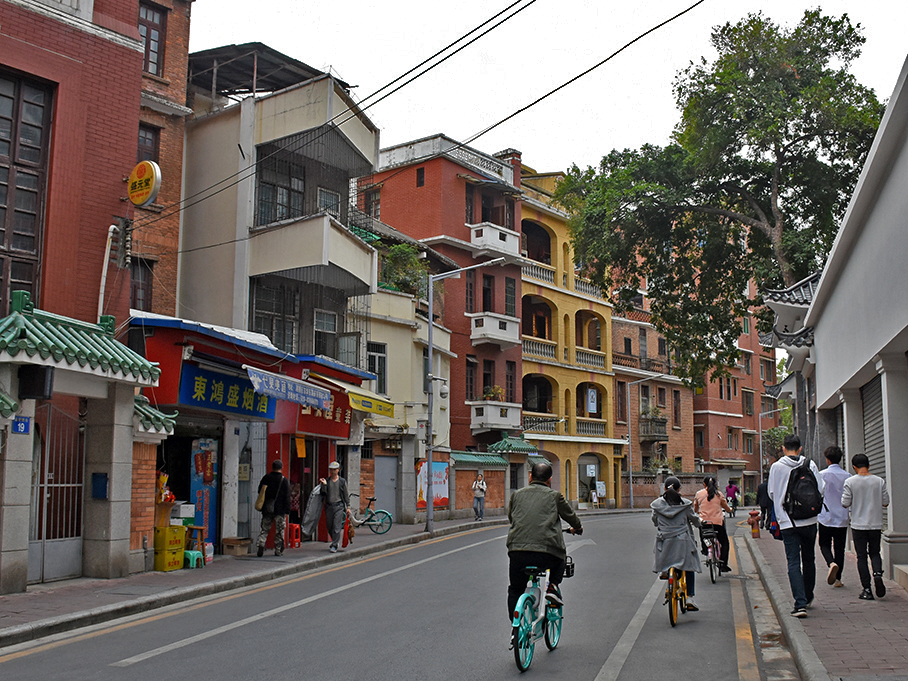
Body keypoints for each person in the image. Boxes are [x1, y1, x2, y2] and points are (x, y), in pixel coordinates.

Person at [506, 462, 582, 623]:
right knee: (561, 556)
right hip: (547, 554)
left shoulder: (516, 495)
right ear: (550, 480)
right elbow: (571, 516)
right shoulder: (555, 496)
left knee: (515, 589)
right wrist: (578, 527)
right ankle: (553, 586)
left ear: (530, 477)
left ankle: (516, 627)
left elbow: (512, 518)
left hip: (517, 551)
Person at [768, 434, 825, 618]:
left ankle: (799, 604)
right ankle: (808, 597)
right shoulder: (810, 464)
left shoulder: (776, 467)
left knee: (793, 561)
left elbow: (771, 493)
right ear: (800, 448)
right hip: (809, 520)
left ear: (784, 448)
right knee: (809, 559)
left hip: (787, 521)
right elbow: (821, 488)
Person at [842, 453, 890, 600]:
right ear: (869, 465)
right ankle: (877, 574)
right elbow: (885, 501)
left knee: (861, 557)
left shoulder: (850, 482)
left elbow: (845, 502)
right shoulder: (879, 481)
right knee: (875, 553)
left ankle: (867, 589)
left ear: (854, 467)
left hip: (858, 525)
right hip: (875, 524)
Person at [652, 476, 702, 611]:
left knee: (663, 551)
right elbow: (694, 519)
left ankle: (665, 570)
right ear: (679, 489)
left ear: (664, 489)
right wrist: (699, 523)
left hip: (664, 542)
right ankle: (690, 597)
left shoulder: (657, 505)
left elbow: (655, 521)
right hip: (682, 541)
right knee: (689, 565)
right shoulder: (685, 504)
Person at [817, 446, 850, 588]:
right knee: (840, 548)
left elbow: (818, 493)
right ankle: (838, 579)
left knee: (824, 544)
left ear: (827, 459)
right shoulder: (848, 476)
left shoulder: (821, 475)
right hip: (842, 517)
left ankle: (831, 563)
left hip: (826, 516)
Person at [693, 476, 732, 573]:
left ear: (704, 484)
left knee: (703, 533)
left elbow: (695, 508)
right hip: (718, 523)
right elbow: (726, 507)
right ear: (715, 484)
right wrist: (730, 510)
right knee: (725, 542)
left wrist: (698, 511)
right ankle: (723, 564)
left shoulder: (699, 494)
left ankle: (705, 549)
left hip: (705, 523)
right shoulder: (719, 494)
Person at [256, 460, 291, 557]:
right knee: (279, 531)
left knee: (265, 528)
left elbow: (260, 491)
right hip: (280, 510)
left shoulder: (266, 478)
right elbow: (287, 497)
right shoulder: (284, 480)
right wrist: (287, 510)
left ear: (272, 467)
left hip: (267, 508)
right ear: (281, 467)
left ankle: (261, 542)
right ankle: (278, 550)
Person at [319, 460, 350, 553]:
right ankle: (335, 540)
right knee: (329, 525)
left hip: (339, 506)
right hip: (329, 506)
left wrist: (348, 507)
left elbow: (346, 495)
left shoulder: (342, 481)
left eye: (334, 469)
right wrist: (323, 485)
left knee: (337, 526)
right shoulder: (327, 481)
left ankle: (334, 544)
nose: (332, 471)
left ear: (338, 470)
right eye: (331, 470)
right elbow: (323, 493)